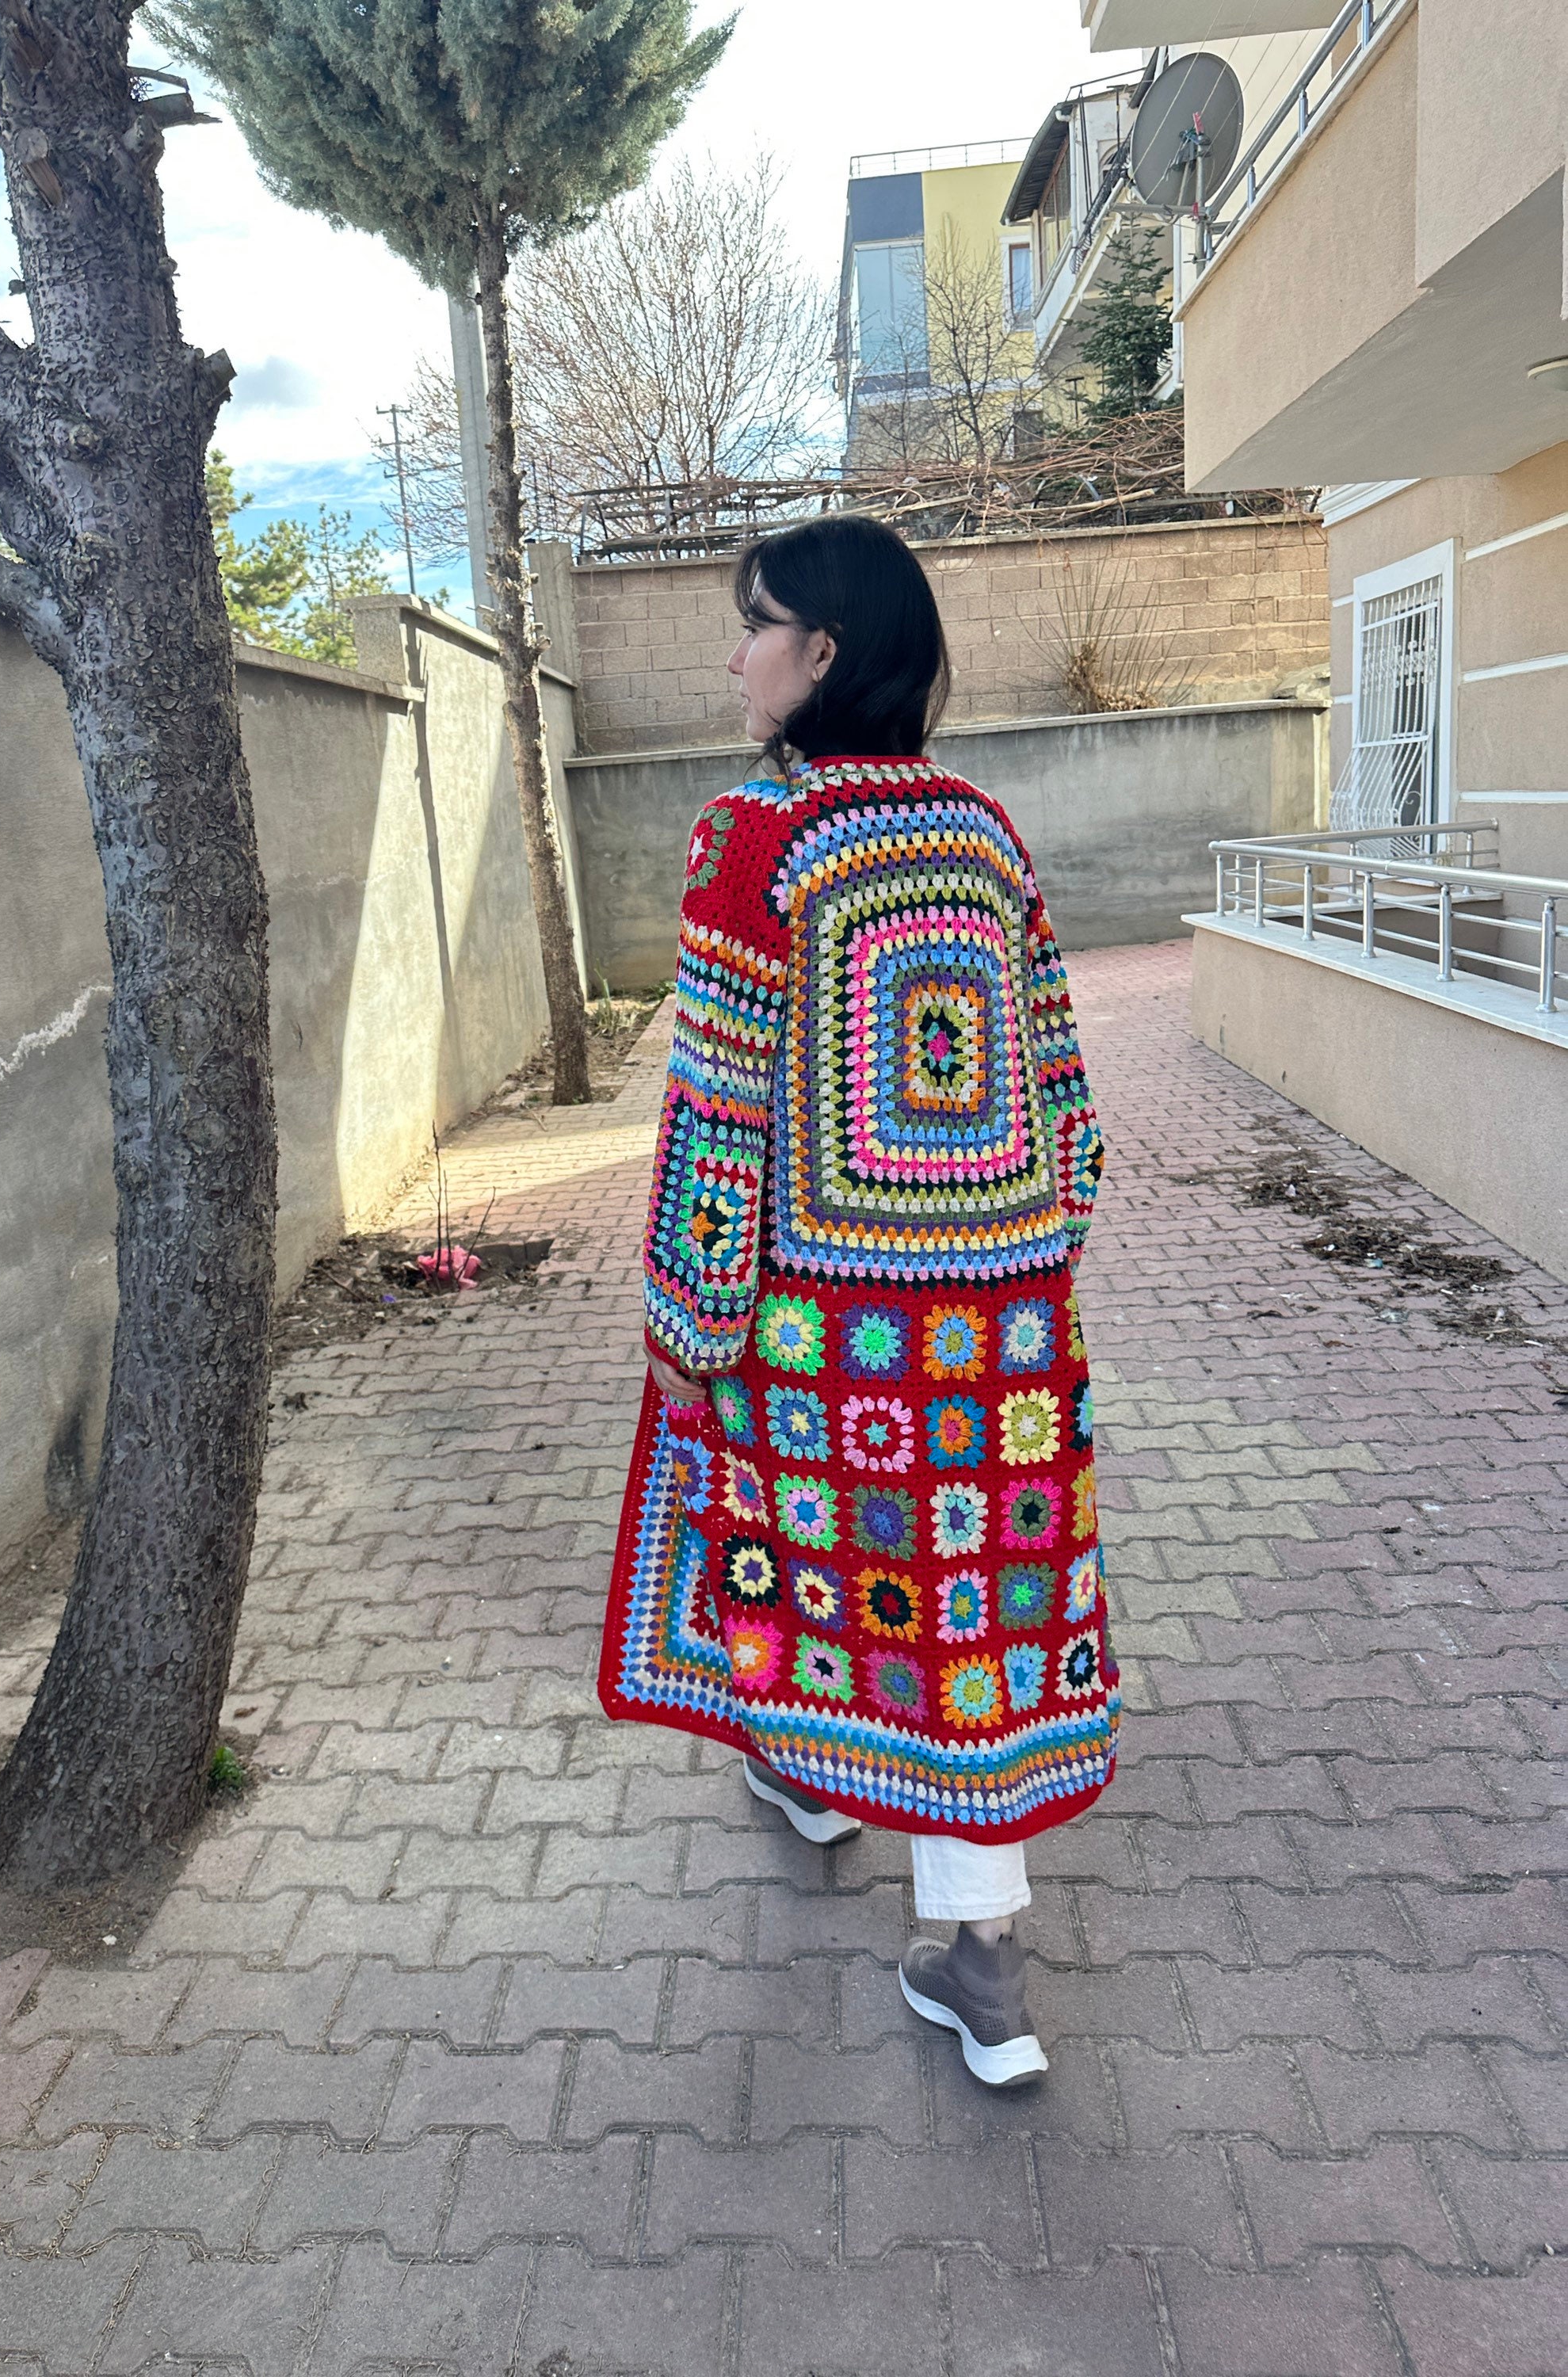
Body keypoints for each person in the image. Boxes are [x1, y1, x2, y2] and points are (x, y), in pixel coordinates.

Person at [598, 513, 1116, 2089]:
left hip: (822, 1331)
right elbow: (1064, 1094)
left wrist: (690, 1325)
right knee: (978, 1617)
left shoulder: (756, 840)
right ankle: (983, 1965)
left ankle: (820, 1782)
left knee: (809, 1566)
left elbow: (719, 1115)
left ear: (823, 652)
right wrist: (1022, 1254)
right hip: (1000, 1331)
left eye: (753, 623)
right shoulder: (982, 830)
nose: (733, 652)